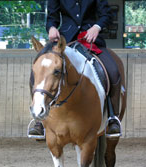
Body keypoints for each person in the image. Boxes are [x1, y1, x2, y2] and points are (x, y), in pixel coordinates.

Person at [29, 0, 121, 138]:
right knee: (40, 72)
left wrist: (96, 27)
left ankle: (112, 118)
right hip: (65, 40)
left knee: (113, 71)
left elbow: (106, 14)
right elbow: (52, 18)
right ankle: (40, 120)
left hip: (91, 39)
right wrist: (52, 28)